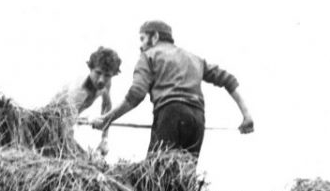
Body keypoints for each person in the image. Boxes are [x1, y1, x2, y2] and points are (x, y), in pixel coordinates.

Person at [90, 20, 253, 159]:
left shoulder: (149, 56)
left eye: (142, 39)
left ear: (154, 37)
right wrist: (246, 116)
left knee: (156, 178)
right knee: (184, 181)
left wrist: (107, 119)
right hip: (197, 120)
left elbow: (136, 95)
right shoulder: (194, 58)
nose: (140, 46)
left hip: (170, 116)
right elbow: (228, 80)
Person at [48, 46, 122, 155]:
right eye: (98, 73)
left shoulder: (106, 83)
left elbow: (106, 106)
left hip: (68, 120)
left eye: (107, 75)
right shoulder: (79, 90)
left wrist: (104, 139)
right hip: (52, 123)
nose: (101, 80)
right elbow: (65, 126)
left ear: (112, 75)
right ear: (91, 69)